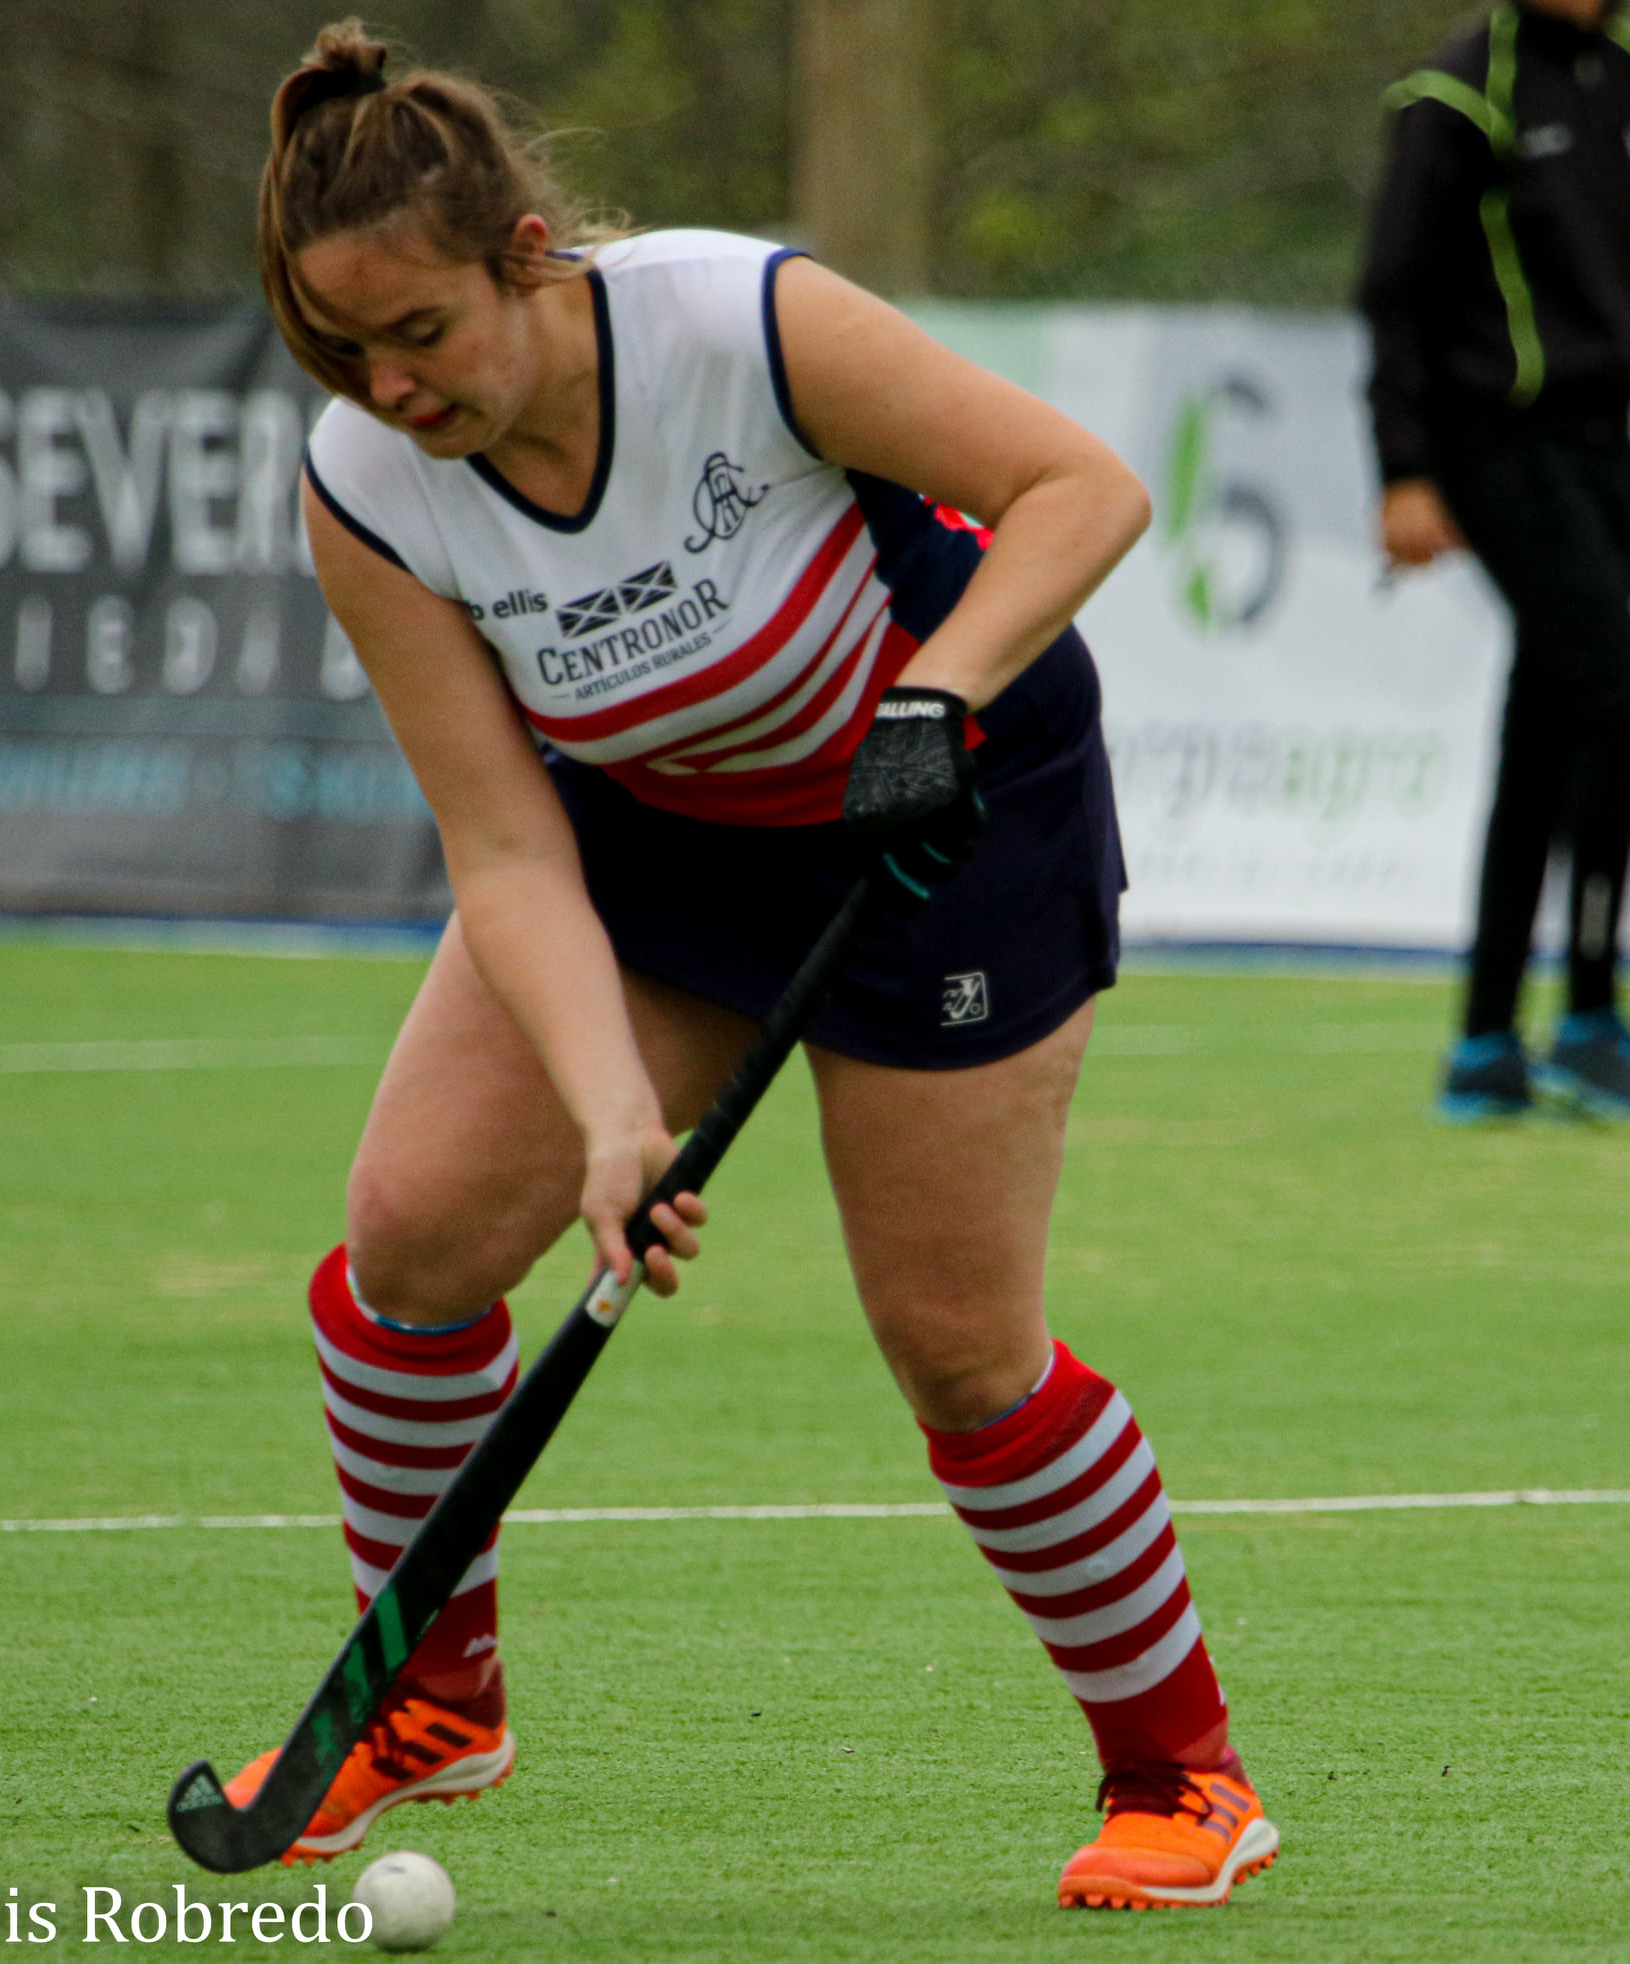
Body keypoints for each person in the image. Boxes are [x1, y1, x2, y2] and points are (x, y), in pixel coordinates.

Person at [228, 20, 1281, 1912]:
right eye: (342, 350)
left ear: (528, 258)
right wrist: (609, 1118)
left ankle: (1181, 1777)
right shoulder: (370, 485)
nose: (388, 385)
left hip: (947, 810)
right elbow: (505, 846)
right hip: (659, 827)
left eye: (421, 333)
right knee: (412, 1240)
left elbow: (1080, 488)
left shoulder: (732, 321)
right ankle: (430, 1699)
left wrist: (934, 697)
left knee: (957, 1347)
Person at [1361, 0, 1630, 1121]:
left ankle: (1484, 1041)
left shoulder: (1620, 73)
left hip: (1610, 445)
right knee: (1615, 683)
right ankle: (1589, 1015)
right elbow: (1394, 294)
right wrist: (1404, 469)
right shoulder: (1459, 93)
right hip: (1500, 442)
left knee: (1554, 716)